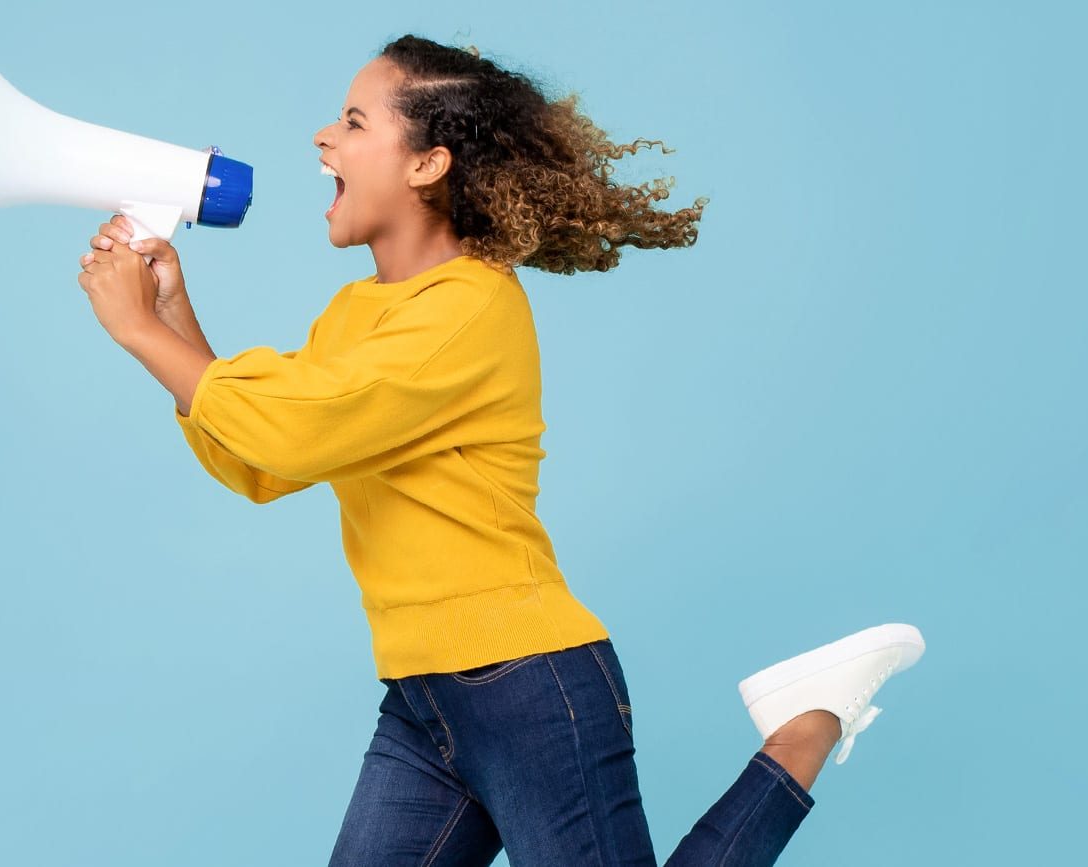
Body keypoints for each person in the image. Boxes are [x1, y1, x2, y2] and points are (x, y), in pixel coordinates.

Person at [74, 34, 927, 867]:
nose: (323, 137)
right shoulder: (354, 315)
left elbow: (293, 425)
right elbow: (265, 460)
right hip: (423, 696)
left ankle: (803, 732)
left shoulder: (471, 309)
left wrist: (142, 333)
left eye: (355, 121)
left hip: (523, 684)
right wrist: (174, 319)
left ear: (428, 164)